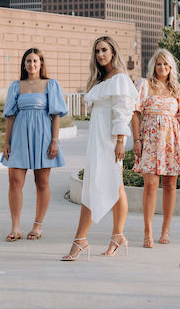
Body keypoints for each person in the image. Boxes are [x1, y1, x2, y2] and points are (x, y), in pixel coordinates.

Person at [61, 36, 138, 261]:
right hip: (98, 137)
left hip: (111, 139)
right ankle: (117, 236)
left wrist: (121, 142)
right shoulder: (101, 79)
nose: (100, 55)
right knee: (115, 185)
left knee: (100, 184)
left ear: (113, 52)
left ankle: (80, 239)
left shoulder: (120, 78)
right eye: (97, 51)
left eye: (104, 50)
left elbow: (123, 111)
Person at [131, 49, 180, 248]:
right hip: (149, 140)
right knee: (150, 184)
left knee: (170, 185)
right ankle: (147, 232)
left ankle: (165, 229)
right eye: (159, 64)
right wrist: (136, 140)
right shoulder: (144, 85)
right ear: (154, 65)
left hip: (172, 141)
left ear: (171, 68)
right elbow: (134, 113)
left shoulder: (179, 90)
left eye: (166, 65)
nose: (162, 68)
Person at [2, 48, 68, 242]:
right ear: (24, 64)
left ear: (41, 63)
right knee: (15, 180)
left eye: (35, 61)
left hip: (43, 136)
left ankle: (38, 225)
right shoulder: (16, 86)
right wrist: (6, 142)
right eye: (28, 61)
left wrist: (55, 140)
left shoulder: (51, 84)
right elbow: (10, 117)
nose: (32, 64)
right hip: (20, 136)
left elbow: (56, 115)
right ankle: (15, 227)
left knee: (42, 182)